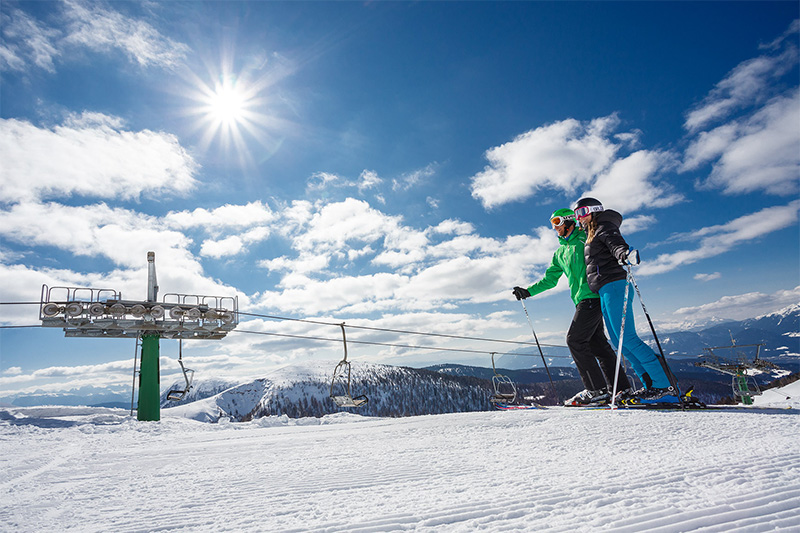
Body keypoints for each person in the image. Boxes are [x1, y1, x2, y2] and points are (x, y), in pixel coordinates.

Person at [513, 208, 631, 406]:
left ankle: (597, 390)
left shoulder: (585, 239)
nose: (555, 227)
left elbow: (603, 249)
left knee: (574, 340)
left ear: (569, 221)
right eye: (552, 223)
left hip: (593, 295)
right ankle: (621, 389)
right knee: (597, 344)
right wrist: (528, 291)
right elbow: (550, 279)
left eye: (557, 222)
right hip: (580, 299)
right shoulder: (560, 253)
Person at [574, 197, 679, 404]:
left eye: (583, 211)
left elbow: (616, 245)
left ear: (594, 211)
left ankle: (664, 385)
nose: (580, 217)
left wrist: (624, 255)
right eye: (577, 213)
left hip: (614, 285)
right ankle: (650, 385)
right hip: (604, 288)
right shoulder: (590, 232)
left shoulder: (604, 226)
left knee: (628, 338)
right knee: (618, 341)